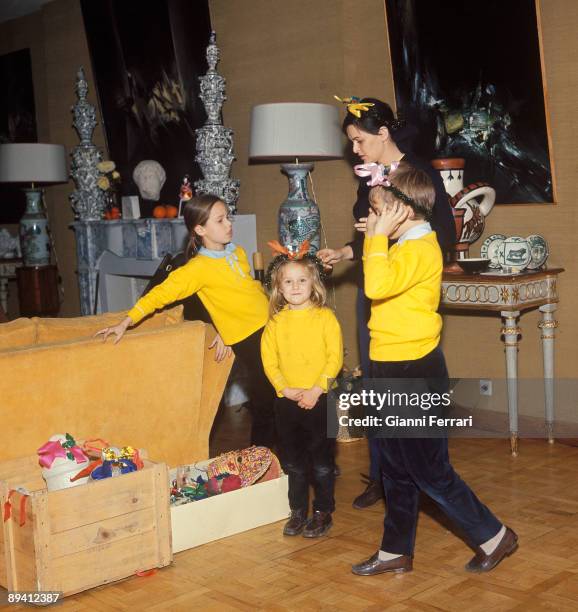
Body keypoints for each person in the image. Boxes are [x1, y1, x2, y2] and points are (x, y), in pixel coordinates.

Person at [351, 161, 517, 576]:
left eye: (376, 210)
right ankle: (395, 552)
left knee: (429, 469)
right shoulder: (404, 246)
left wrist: (374, 242)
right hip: (388, 366)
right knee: (394, 465)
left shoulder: (423, 249)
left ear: (402, 212)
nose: (370, 218)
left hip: (412, 370)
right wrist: (377, 240)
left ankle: (494, 536)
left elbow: (375, 286)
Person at [318, 97, 455, 510]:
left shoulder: (419, 175)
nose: (355, 150)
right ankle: (385, 475)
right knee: (377, 389)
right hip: (374, 288)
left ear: (383, 134)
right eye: (351, 143)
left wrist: (392, 242)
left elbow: (440, 237)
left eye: (359, 140)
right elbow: (369, 237)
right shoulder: (369, 178)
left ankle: (433, 479)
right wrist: (346, 251)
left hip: (404, 292)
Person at [95, 194, 276, 449]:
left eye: (228, 217)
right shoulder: (196, 269)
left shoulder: (238, 252)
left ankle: (292, 457)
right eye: (220, 220)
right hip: (250, 339)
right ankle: (261, 460)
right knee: (266, 399)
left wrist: (225, 329)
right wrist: (126, 321)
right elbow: (159, 294)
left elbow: (242, 293)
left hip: (272, 325)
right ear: (200, 229)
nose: (228, 224)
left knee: (283, 391)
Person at [261, 249, 343, 538]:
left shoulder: (325, 318)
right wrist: (284, 388)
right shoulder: (274, 323)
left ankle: (322, 512)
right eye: (288, 282)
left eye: (302, 281)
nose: (295, 287)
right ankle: (297, 511)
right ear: (279, 289)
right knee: (293, 463)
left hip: (320, 400)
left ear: (313, 284)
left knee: (321, 463)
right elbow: (269, 360)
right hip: (287, 402)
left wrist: (317, 389)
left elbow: (335, 358)